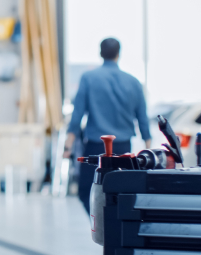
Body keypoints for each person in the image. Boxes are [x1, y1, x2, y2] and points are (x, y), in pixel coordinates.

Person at [63, 38, 152, 215]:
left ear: (100, 53)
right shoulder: (133, 82)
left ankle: (101, 224)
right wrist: (148, 148)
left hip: (96, 148)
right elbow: (142, 117)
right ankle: (115, 226)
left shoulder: (88, 78)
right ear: (119, 54)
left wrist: (68, 146)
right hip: (124, 149)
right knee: (122, 192)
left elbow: (77, 115)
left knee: (85, 191)